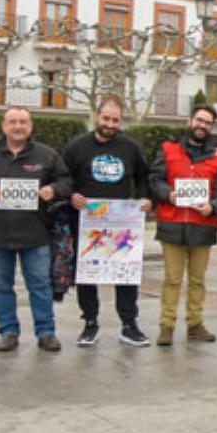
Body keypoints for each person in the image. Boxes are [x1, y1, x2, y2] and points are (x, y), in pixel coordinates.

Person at [62, 96, 152, 347]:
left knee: (125, 275)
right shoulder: (77, 147)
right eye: (106, 119)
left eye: (115, 120)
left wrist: (145, 199)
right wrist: (71, 195)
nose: (110, 124)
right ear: (96, 116)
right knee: (87, 274)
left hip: (122, 224)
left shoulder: (131, 148)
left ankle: (129, 324)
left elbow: (145, 178)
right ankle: (90, 323)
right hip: (87, 223)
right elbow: (63, 178)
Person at [0, 107, 71, 352]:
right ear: (3, 126)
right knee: (1, 286)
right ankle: (8, 331)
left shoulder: (46, 155)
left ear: (30, 126)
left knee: (40, 286)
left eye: (22, 122)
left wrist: (54, 190)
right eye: (13, 122)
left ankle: (46, 332)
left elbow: (66, 181)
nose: (18, 126)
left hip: (36, 233)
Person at [149, 103, 217, 345]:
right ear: (190, 121)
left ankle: (195, 324)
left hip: (202, 225)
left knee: (198, 280)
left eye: (207, 122)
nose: (202, 125)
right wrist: (168, 194)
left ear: (211, 127)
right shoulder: (168, 149)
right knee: (172, 279)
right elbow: (155, 179)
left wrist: (213, 206)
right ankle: (167, 326)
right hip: (172, 223)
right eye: (199, 120)